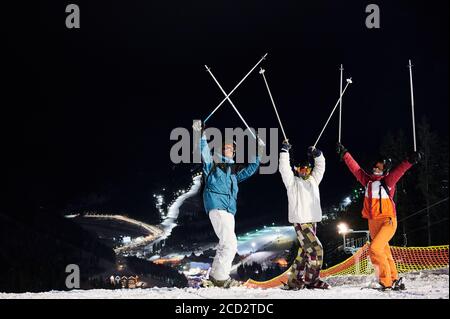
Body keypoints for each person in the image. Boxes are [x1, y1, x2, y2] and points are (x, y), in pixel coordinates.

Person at [336, 142, 423, 290]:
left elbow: (400, 170)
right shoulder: (368, 181)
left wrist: (410, 160)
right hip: (373, 222)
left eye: (380, 167)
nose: (376, 169)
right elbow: (355, 168)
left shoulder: (387, 182)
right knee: (384, 251)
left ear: (385, 169)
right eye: (375, 166)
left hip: (388, 221)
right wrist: (345, 154)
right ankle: (394, 278)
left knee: (375, 249)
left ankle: (385, 281)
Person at [193, 120, 265, 288]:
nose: (230, 150)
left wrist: (259, 151)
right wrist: (199, 133)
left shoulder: (233, 173)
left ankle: (215, 276)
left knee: (225, 243)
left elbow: (252, 168)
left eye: (232, 148)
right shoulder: (213, 165)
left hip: (229, 210)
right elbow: (203, 151)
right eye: (226, 148)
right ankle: (221, 277)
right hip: (217, 206)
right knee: (231, 244)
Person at [279, 140, 329, 290]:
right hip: (301, 222)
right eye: (301, 169)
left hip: (312, 221)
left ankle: (294, 281)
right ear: (297, 170)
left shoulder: (314, 180)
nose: (305, 171)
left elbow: (321, 167)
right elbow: (284, 169)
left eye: (307, 168)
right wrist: (284, 151)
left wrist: (317, 155)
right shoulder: (292, 182)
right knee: (316, 250)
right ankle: (311, 281)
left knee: (305, 252)